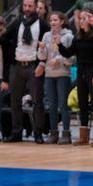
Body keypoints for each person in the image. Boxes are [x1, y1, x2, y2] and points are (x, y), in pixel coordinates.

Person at [0, 0, 48, 143]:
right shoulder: (17, 23)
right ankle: (16, 132)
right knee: (15, 101)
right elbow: (4, 40)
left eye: (30, 6)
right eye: (25, 5)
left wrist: (42, 64)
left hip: (34, 66)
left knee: (37, 101)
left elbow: (47, 46)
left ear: (36, 6)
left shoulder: (43, 25)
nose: (27, 8)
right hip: (17, 66)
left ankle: (38, 133)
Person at [59, 10, 93, 146]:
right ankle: (83, 136)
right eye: (80, 18)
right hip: (81, 71)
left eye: (84, 18)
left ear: (91, 20)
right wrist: (59, 44)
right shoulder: (78, 37)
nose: (81, 20)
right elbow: (68, 53)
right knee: (82, 103)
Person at [39, 11, 75, 144]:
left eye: (55, 20)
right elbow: (42, 57)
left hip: (63, 74)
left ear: (62, 21)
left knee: (63, 104)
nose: (52, 23)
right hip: (49, 74)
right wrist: (42, 49)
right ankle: (53, 133)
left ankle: (66, 134)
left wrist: (59, 60)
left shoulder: (68, 36)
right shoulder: (46, 36)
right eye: (51, 20)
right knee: (52, 105)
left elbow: (72, 57)